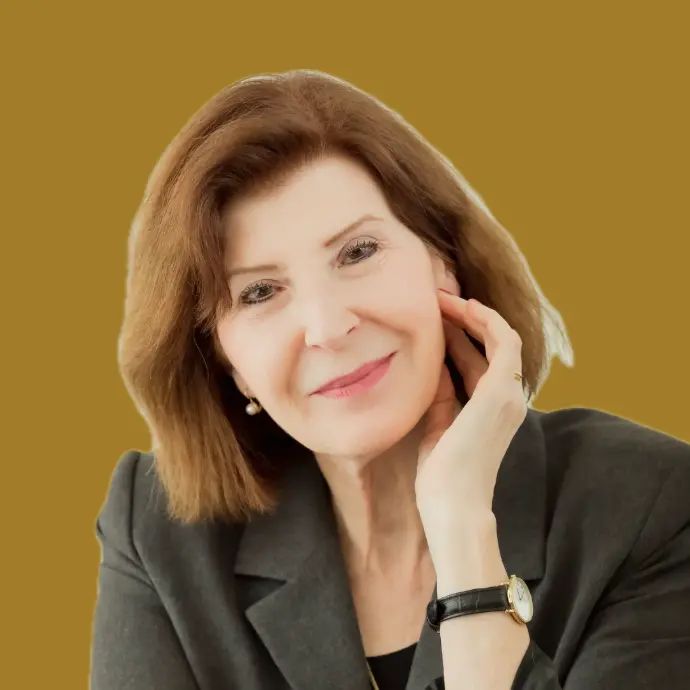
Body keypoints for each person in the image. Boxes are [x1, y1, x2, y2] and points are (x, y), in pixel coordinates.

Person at [90, 70, 690, 690]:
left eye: (358, 252)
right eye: (260, 292)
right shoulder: (158, 536)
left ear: (443, 262)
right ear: (225, 361)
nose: (327, 327)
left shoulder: (649, 508)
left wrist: (462, 533)